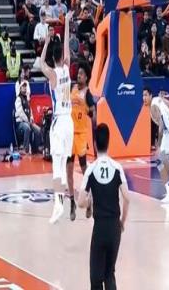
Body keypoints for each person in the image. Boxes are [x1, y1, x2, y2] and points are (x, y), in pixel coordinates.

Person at [78, 124, 130, 290]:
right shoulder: (117, 168)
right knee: (109, 273)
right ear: (108, 142)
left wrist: (90, 203)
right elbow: (127, 198)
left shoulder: (91, 170)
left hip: (100, 228)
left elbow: (80, 202)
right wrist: (122, 222)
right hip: (114, 227)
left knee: (95, 278)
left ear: (94, 144)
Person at [40, 11, 74, 224]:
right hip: (70, 122)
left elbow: (40, 63)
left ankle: (58, 204)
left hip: (59, 121)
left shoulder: (52, 74)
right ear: (62, 57)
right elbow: (67, 44)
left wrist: (46, 42)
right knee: (62, 165)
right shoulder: (67, 69)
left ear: (54, 58)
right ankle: (60, 203)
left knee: (56, 166)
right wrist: (67, 22)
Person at [68, 63, 95, 221]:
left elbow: (93, 111)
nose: (79, 75)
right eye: (78, 73)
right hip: (70, 134)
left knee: (85, 170)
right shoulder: (72, 89)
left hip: (81, 135)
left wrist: (92, 115)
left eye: (82, 74)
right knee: (69, 170)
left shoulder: (88, 93)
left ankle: (89, 199)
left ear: (87, 78)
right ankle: (72, 202)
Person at [144, 88, 169, 203]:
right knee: (163, 157)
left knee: (159, 161)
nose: (144, 98)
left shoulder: (153, 107)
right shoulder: (157, 99)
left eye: (146, 95)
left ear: (151, 95)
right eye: (143, 96)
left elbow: (160, 126)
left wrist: (158, 145)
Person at [14, 81, 42, 154]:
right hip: (20, 123)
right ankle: (25, 149)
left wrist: (31, 118)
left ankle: (35, 149)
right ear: (20, 88)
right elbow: (20, 112)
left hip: (28, 121)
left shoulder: (26, 99)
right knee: (27, 128)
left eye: (25, 87)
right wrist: (27, 120)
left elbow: (30, 111)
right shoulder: (18, 99)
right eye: (23, 87)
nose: (24, 88)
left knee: (38, 130)